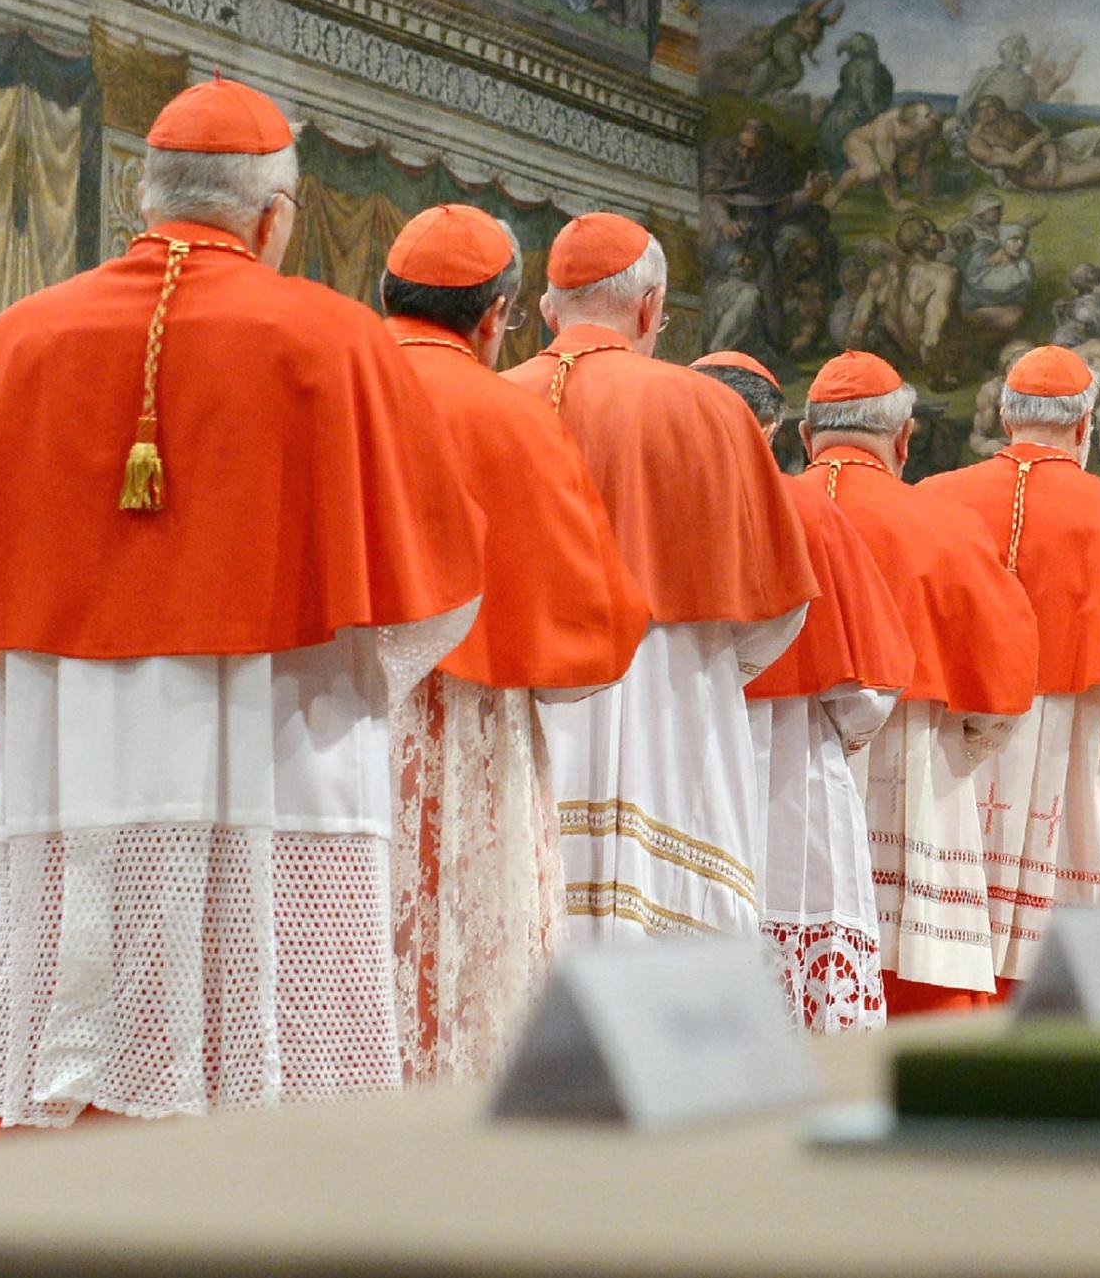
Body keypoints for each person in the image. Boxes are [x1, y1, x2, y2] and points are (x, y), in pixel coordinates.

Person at [0, 79, 486, 1125]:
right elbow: (429, 590)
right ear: (274, 216)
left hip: (82, 738)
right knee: (271, 1066)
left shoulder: (25, 335)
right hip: (285, 734)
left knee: (95, 1039)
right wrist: (363, 677)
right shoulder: (335, 338)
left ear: (145, 194)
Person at [376, 207, 651, 1082]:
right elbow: (587, 627)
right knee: (464, 971)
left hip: (318, 722)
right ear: (496, 315)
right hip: (472, 734)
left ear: (386, 294)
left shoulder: (327, 386)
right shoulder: (516, 418)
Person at [502, 215, 818, 945]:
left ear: (548, 310)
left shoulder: (495, 396)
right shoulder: (709, 407)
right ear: (650, 309)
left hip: (518, 694)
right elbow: (777, 604)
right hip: (672, 702)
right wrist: (714, 669)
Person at [917, 345, 1100, 984]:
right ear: (1084, 425)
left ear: (1004, 417)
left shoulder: (933, 499)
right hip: (1082, 743)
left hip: (953, 742)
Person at [801, 354, 1038, 1014]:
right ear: (903, 439)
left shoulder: (761, 510)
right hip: (910, 775)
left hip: (776, 767)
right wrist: (963, 747)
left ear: (805, 436)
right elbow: (1004, 680)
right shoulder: (944, 523)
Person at [695, 354, 916, 1032]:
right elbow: (867, 690)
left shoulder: (652, 503)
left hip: (676, 750)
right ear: (772, 428)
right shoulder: (810, 513)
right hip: (793, 766)